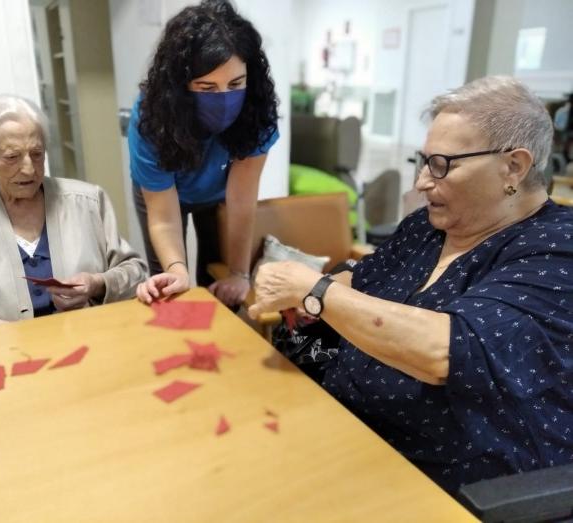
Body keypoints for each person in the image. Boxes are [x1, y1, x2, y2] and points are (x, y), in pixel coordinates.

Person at [250, 76, 573, 494]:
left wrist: (315, 292)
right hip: (345, 428)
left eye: (442, 165)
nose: (422, 182)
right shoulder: (429, 225)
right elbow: (362, 277)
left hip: (445, 479)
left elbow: (447, 351)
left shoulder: (557, 249)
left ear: (513, 166)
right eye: (423, 162)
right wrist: (313, 291)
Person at [0, 95, 147, 337]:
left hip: (87, 342)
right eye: (12, 157)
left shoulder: (87, 201)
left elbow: (134, 271)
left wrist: (98, 284)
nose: (29, 169)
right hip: (0, 352)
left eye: (37, 153)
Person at [129, 0, 279, 307]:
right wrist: (177, 270)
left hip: (220, 192)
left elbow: (241, 200)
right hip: (163, 196)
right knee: (170, 287)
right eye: (207, 88)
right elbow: (163, 218)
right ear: (181, 85)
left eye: (235, 83)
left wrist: (239, 274)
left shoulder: (257, 111)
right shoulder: (153, 117)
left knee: (219, 276)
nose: (223, 99)